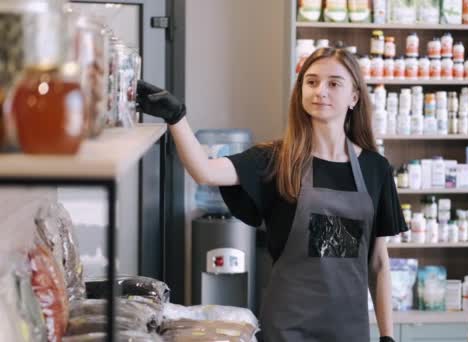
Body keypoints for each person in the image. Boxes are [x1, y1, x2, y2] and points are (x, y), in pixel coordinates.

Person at [136, 47, 407, 342]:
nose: (320, 91)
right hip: (288, 327)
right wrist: (177, 118)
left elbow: (378, 264)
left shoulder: (375, 169)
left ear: (354, 97)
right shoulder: (277, 159)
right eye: (312, 82)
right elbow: (205, 171)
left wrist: (387, 336)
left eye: (333, 83)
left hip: (348, 330)